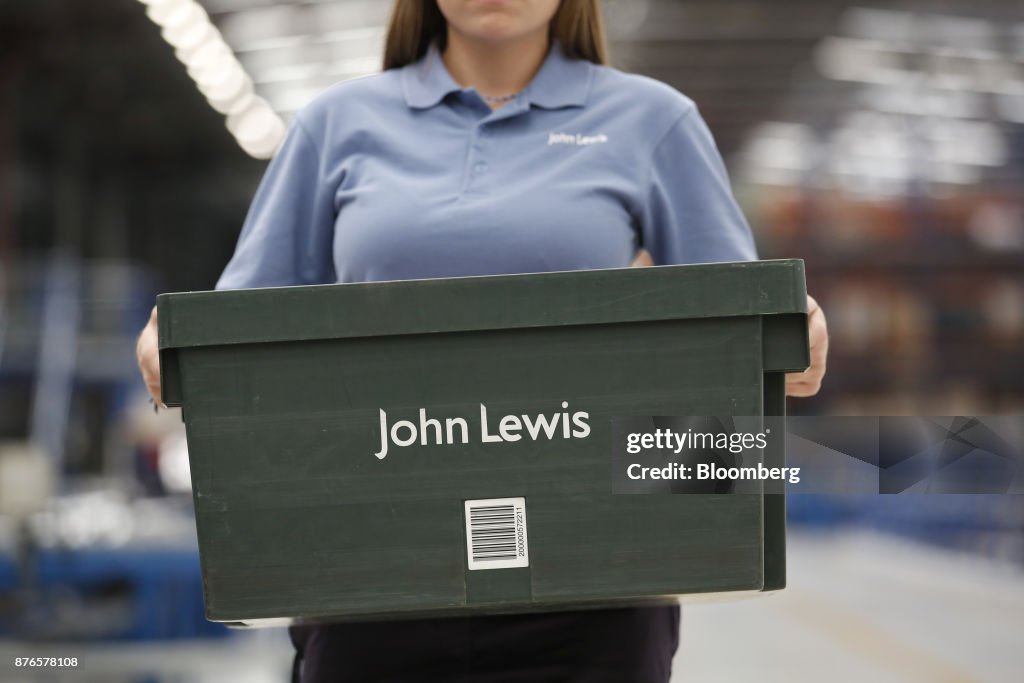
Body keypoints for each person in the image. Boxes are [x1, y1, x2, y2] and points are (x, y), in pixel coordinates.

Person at [136, 1, 829, 680]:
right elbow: (240, 327)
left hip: (597, 594)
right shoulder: (334, 126)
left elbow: (734, 337)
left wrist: (790, 337)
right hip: (367, 583)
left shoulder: (654, 121)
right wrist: (174, 341)